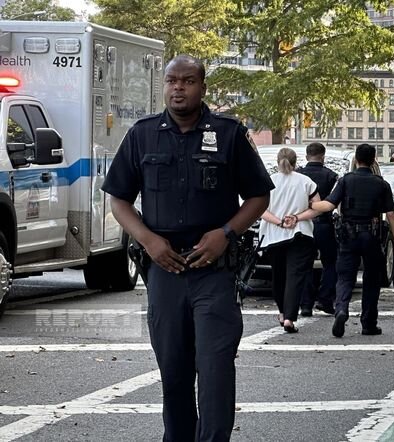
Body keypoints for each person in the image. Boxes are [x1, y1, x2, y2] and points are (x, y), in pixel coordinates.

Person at [101, 55, 274, 442]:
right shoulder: (143, 134)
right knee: (174, 373)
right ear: (163, 85)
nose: (178, 88)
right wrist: (149, 240)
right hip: (165, 270)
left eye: (188, 81)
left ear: (202, 87)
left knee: (214, 371)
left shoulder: (229, 133)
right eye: (171, 81)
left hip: (214, 270)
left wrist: (225, 233)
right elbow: (119, 200)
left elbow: (259, 196)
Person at [311, 144, 394, 338]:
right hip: (372, 237)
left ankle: (342, 309)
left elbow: (328, 205)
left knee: (345, 277)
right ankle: (368, 323)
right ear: (373, 160)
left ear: (357, 159)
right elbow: (392, 215)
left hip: (348, 236)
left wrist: (309, 203)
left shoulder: (346, 180)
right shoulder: (381, 184)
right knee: (371, 280)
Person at [259, 147, 320, 332]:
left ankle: (281, 312)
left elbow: (260, 210)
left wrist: (279, 222)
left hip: (273, 235)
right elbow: (317, 208)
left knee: (278, 275)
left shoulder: (268, 182)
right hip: (300, 234)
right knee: (295, 276)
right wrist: (297, 218)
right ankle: (290, 318)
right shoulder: (306, 182)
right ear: (295, 162)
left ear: (278, 162)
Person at [297, 142, 339, 316]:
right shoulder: (331, 176)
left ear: (307, 156)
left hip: (303, 223)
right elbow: (334, 202)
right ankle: (325, 300)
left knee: (304, 263)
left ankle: (305, 304)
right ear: (323, 156)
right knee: (331, 263)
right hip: (324, 224)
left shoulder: (298, 175)